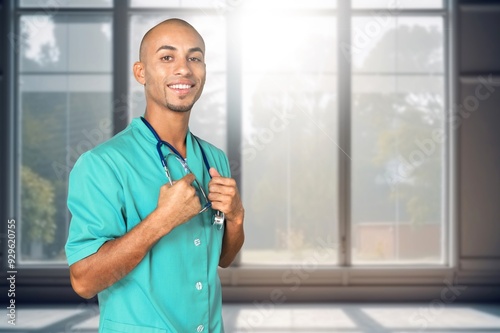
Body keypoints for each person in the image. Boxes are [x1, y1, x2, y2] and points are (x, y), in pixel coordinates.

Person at [65, 18, 245, 333]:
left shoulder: (213, 159)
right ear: (141, 73)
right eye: (166, 57)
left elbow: (223, 258)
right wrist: (161, 220)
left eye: (194, 57)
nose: (184, 69)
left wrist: (237, 217)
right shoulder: (102, 164)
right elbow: (84, 281)